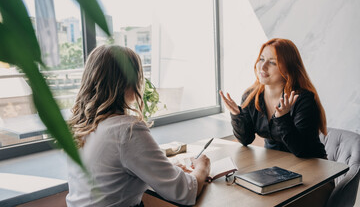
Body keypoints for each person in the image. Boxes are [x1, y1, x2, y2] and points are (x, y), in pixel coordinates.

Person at [66, 45, 210, 207]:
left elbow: (113, 176)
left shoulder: (83, 126)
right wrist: (202, 166)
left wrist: (165, 170)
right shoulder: (126, 130)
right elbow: (184, 192)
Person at [220, 38, 327, 158]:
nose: (263, 66)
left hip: (312, 165)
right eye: (261, 59)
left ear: (288, 69)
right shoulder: (251, 96)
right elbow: (246, 140)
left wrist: (282, 118)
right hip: (275, 166)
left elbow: (301, 150)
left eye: (272, 62)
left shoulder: (303, 99)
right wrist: (237, 115)